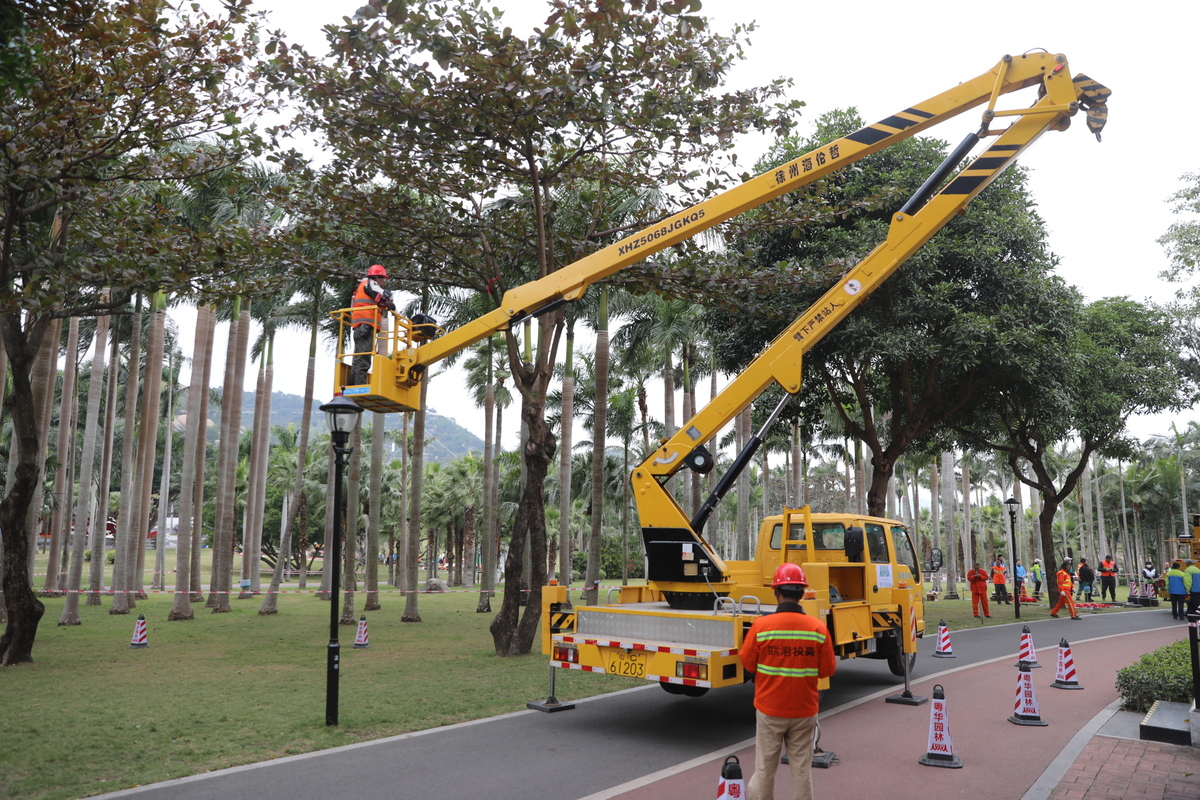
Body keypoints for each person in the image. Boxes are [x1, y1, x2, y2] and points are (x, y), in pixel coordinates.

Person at [740, 563, 836, 800]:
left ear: (776, 592)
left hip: (769, 709)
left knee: (764, 770)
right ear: (802, 593)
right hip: (804, 711)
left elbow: (748, 663)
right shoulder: (817, 628)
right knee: (802, 771)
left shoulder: (761, 627)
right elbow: (827, 670)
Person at [349, 264, 395, 386]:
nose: (383, 282)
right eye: (382, 279)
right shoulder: (370, 283)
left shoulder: (361, 286)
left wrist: (386, 304)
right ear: (376, 277)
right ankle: (358, 387)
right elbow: (383, 294)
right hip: (366, 324)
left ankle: (352, 386)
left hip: (360, 325)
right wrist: (389, 301)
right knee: (363, 359)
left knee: (358, 358)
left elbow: (376, 300)